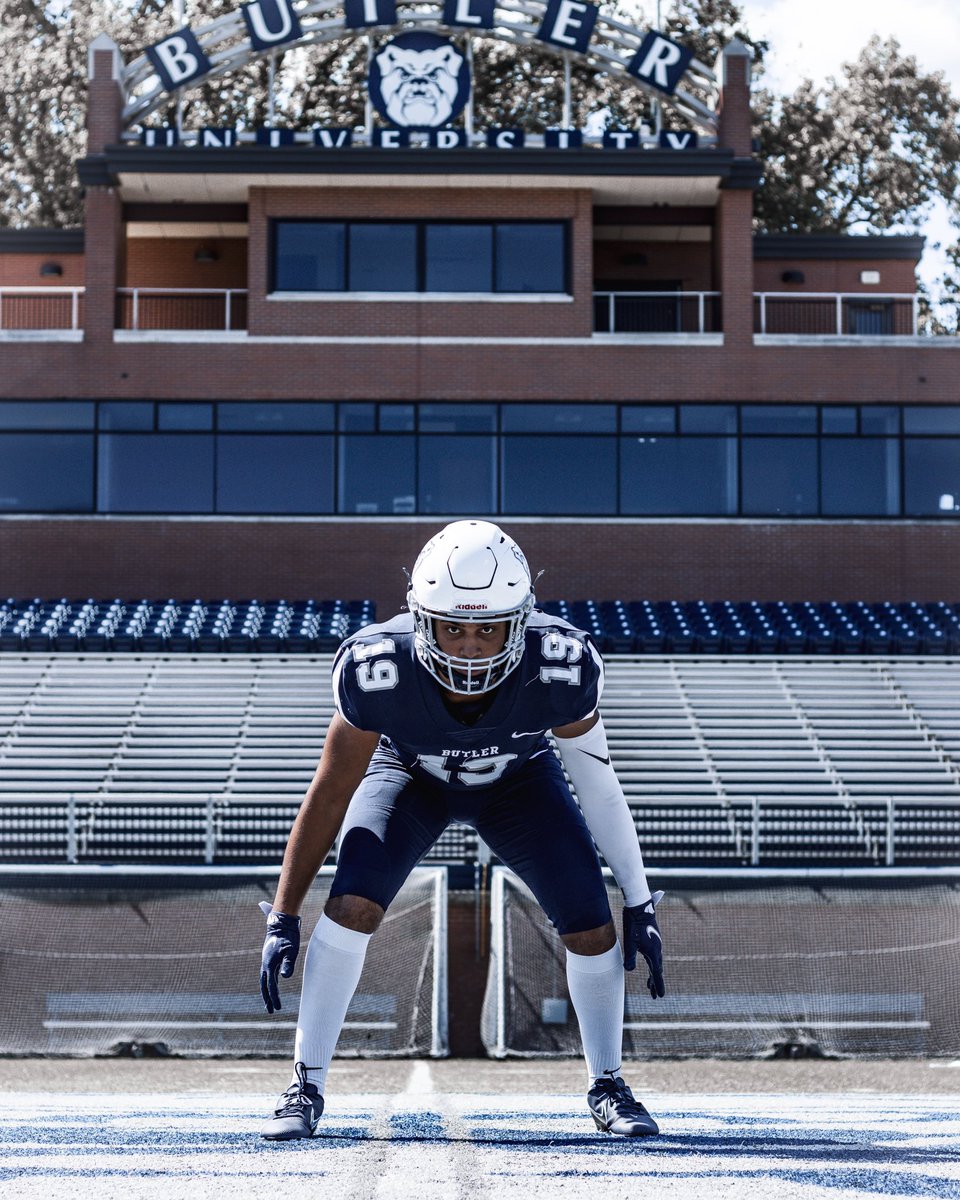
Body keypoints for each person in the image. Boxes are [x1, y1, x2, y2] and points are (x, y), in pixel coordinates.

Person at [259, 519, 665, 1140]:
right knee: (353, 903)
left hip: (520, 783)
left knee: (590, 920)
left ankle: (607, 1081)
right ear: (421, 618)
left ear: (522, 621)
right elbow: (332, 788)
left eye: (488, 629)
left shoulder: (561, 665)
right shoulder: (378, 668)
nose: (470, 647)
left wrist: (639, 902)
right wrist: (283, 914)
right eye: (453, 626)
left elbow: (600, 787)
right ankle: (305, 1081)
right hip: (410, 776)